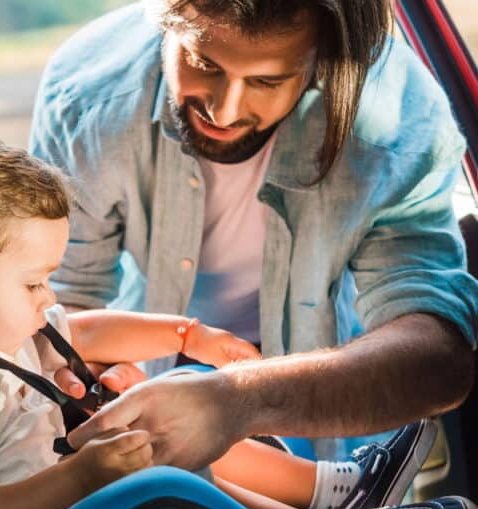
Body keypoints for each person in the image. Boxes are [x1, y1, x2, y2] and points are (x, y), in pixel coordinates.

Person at [0, 123, 478, 509]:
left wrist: (187, 336)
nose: (47, 295)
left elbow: (79, 331)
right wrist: (86, 475)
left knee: (166, 405)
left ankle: (336, 486)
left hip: (68, 470)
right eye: (33, 283)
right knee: (165, 458)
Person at [29, 0, 478, 467]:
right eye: (203, 63)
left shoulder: (395, 123)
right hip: (145, 351)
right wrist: (89, 374)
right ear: (164, 21)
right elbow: (61, 298)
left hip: (333, 362)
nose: (224, 112)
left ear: (321, 62)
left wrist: (236, 400)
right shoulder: (87, 97)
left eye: (266, 81)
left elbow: (438, 354)